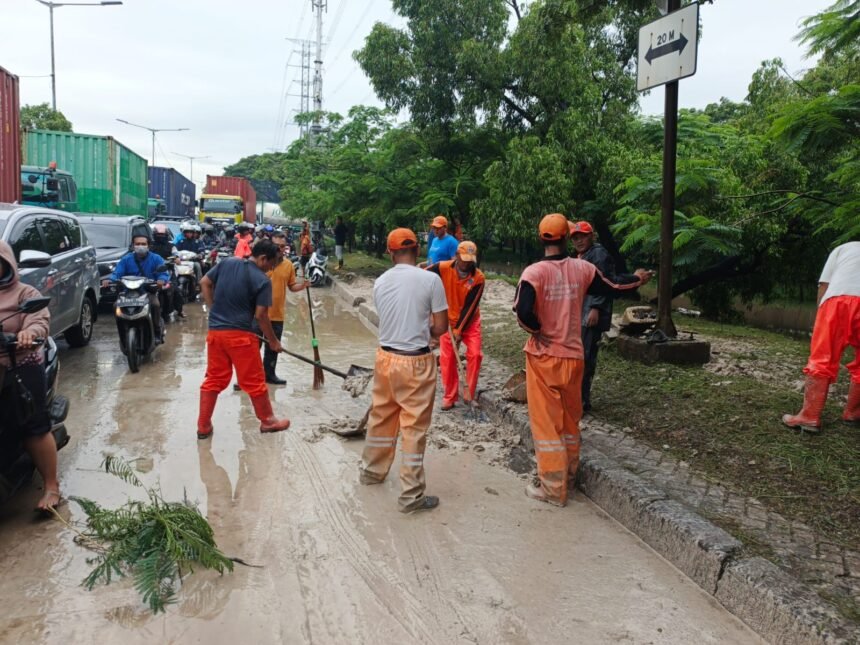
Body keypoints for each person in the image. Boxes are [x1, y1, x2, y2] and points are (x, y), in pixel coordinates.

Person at [514, 214, 651, 507]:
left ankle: (552, 489)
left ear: (541, 238)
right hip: (574, 357)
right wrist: (637, 279)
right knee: (569, 422)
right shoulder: (583, 269)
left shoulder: (533, 273)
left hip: (543, 358)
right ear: (566, 236)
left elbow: (522, 312)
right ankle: (571, 477)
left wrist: (539, 331)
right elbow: (613, 286)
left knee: (547, 426)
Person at [360, 228, 449, 514]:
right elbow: (441, 327)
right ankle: (411, 496)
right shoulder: (431, 280)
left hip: (385, 358)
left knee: (381, 417)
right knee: (413, 428)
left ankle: (372, 473)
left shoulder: (381, 282)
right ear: (418, 249)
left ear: (390, 252)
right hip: (416, 362)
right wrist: (428, 331)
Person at [196, 240, 291, 439]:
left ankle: (203, 426)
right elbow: (261, 316)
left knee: (214, 379)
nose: (272, 269)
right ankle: (268, 421)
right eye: (272, 264)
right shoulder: (263, 280)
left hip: (216, 334)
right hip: (241, 338)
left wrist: (213, 309)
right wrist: (273, 341)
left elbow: (204, 282)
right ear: (263, 258)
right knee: (254, 381)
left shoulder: (227, 263)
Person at [0, 240, 58, 512]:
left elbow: (39, 320)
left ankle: (51, 487)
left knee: (33, 426)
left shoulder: (25, 293)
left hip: (20, 363)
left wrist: (28, 334)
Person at [783, 241, 860, 433]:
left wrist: (820, 317)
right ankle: (853, 412)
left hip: (838, 301)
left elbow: (824, 284)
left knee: (822, 358)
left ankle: (809, 416)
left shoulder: (843, 248)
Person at [570, 220, 635, 413]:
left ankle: (582, 401)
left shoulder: (598, 254)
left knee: (585, 356)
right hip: (580, 311)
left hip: (590, 312)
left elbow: (605, 283)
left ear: (592, 236)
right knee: (578, 356)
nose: (579, 240)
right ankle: (576, 397)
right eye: (575, 237)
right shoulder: (583, 255)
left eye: (582, 236)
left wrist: (596, 308)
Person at [427, 240, 485, 410]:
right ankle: (449, 396)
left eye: (470, 259)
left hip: (470, 321)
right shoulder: (443, 267)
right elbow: (423, 277)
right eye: (464, 258)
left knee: (475, 355)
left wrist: (459, 329)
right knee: (448, 358)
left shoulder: (478, 278)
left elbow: (471, 306)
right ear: (457, 256)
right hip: (447, 320)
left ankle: (468, 394)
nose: (466, 262)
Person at [258, 232, 310, 384]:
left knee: (273, 348)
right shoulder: (262, 263)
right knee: (252, 348)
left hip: (276, 314)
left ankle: (269, 374)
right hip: (257, 314)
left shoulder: (288, 265)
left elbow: (292, 286)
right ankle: (247, 377)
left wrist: (303, 286)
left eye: (283, 246)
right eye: (277, 246)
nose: (280, 249)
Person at [102, 233, 169, 341]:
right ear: (133, 246)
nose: (140, 246)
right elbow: (117, 273)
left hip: (147, 292)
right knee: (116, 306)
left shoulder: (156, 259)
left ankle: (157, 331)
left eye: (143, 244)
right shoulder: (126, 259)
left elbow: (163, 273)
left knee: (155, 305)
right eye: (137, 244)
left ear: (148, 246)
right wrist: (110, 280)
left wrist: (161, 279)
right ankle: (122, 332)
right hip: (128, 292)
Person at [150, 224, 183, 320]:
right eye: (158, 235)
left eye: (162, 235)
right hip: (152, 272)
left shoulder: (171, 246)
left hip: (168, 271)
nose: (160, 237)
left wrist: (176, 259)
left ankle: (180, 310)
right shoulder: (150, 246)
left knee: (177, 291)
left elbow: (176, 255)